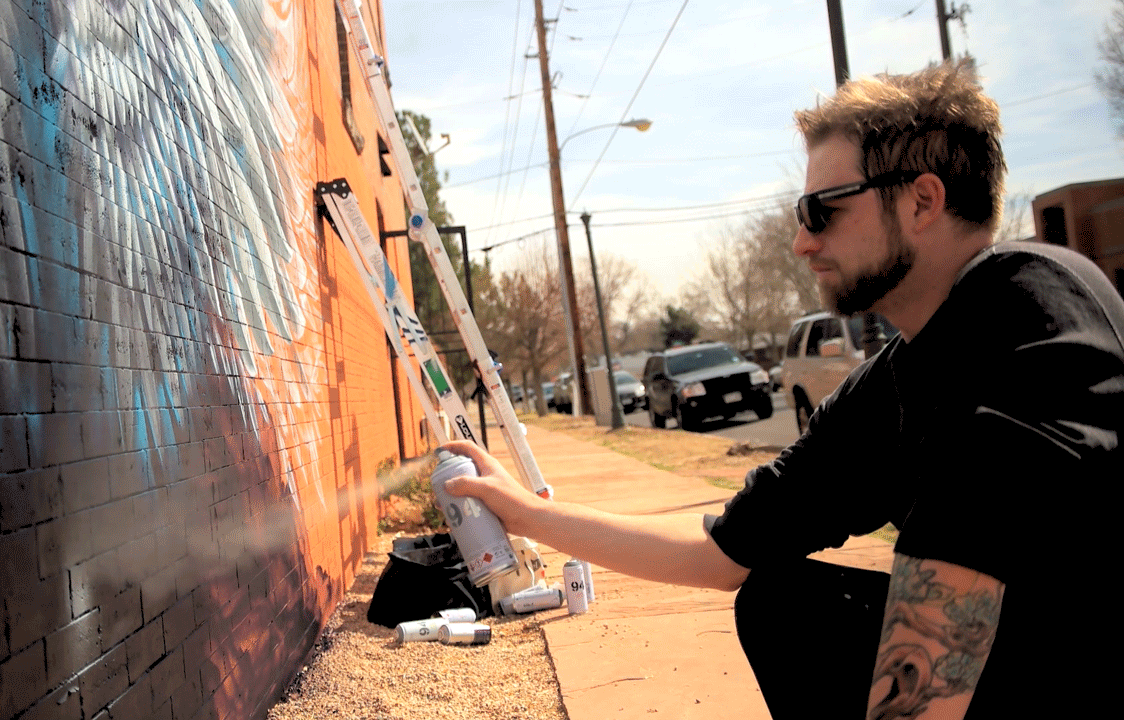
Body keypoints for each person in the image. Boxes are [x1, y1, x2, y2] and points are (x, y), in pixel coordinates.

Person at [442, 61, 1123, 719]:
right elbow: (723, 552)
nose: (801, 241)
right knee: (781, 600)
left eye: (820, 210)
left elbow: (941, 630)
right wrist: (525, 513)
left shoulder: (1032, 320)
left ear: (921, 201)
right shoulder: (901, 377)